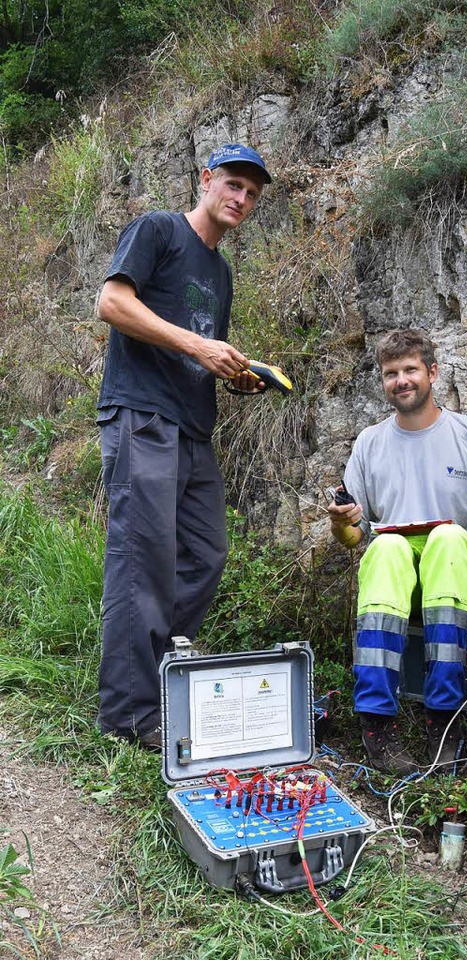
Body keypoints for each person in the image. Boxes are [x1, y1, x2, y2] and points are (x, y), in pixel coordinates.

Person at [96, 143, 272, 750]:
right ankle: (129, 715)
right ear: (206, 180)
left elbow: (200, 349)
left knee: (206, 555)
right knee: (141, 563)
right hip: (143, 416)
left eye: (251, 194)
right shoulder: (160, 230)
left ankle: (153, 678)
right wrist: (199, 348)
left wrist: (235, 373)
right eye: (232, 186)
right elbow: (113, 303)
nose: (241, 199)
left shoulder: (220, 272)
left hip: (195, 430)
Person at [328, 328, 467, 774]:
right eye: (391, 373)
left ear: (431, 373)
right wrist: (342, 525)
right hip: (398, 580)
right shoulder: (370, 443)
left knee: (448, 539)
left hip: (457, 568)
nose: (401, 381)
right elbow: (355, 540)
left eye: (410, 369)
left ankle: (444, 720)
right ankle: (377, 725)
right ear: (383, 381)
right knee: (387, 545)